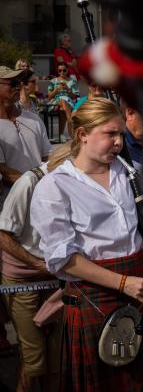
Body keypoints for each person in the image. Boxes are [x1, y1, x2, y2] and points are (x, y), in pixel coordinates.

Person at [30, 98, 143, 390]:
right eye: (110, 134)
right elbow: (64, 259)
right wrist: (122, 283)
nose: (119, 142)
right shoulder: (54, 187)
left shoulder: (127, 173)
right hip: (95, 295)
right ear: (82, 135)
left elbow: (141, 228)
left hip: (140, 287)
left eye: (120, 134)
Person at [0, 145, 70, 392]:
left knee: (56, 358)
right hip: (22, 279)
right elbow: (3, 235)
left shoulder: (70, 184)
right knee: (34, 359)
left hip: (55, 277)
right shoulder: (29, 182)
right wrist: (37, 263)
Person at [0, 67, 52, 208]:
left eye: (19, 83)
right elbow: (4, 171)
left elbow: (48, 157)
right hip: (11, 203)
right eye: (12, 84)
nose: (18, 87)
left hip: (42, 198)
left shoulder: (34, 119)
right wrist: (40, 186)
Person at [47, 64, 79, 142]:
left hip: (69, 102)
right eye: (60, 70)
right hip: (55, 102)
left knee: (62, 109)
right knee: (62, 99)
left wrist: (68, 89)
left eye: (64, 70)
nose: (62, 72)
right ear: (57, 71)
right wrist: (56, 90)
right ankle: (70, 119)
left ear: (67, 70)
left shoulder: (72, 81)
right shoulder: (53, 81)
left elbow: (75, 96)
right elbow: (49, 97)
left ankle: (61, 135)